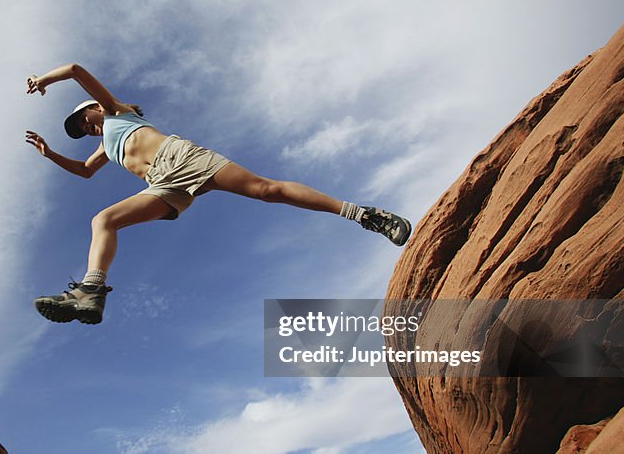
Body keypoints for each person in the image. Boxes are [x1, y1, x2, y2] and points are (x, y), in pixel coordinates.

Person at [25, 63, 411, 325]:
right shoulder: (105, 146)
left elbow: (75, 70)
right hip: (161, 185)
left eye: (82, 120)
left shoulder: (115, 112)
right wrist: (50, 153)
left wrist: (44, 80)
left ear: (94, 108)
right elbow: (84, 172)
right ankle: (91, 291)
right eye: (78, 129)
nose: (83, 128)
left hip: (180, 157)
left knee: (267, 190)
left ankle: (364, 214)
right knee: (103, 220)